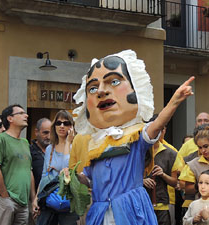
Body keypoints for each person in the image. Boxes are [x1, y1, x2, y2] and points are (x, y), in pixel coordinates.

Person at [71, 50, 194, 225]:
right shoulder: (94, 143)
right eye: (92, 88)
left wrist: (174, 101)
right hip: (100, 212)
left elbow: (157, 125)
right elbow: (89, 178)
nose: (101, 92)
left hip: (130, 212)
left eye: (114, 81)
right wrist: (73, 177)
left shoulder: (135, 135)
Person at [0, 104, 35, 225]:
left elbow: (28, 171)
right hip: (6, 200)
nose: (26, 115)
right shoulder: (0, 139)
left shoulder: (25, 142)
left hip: (24, 203)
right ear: (10, 118)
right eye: (21, 113)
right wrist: (4, 196)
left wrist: (33, 198)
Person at [33, 110, 79, 225]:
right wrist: (36, 198)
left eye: (66, 123)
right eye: (58, 123)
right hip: (50, 197)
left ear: (72, 127)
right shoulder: (50, 148)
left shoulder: (76, 146)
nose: (62, 126)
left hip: (69, 199)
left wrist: (68, 143)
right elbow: (45, 176)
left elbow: (66, 170)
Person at [143, 115, 181, 225]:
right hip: (141, 203)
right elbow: (127, 175)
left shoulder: (171, 153)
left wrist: (163, 174)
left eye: (160, 129)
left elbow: (175, 182)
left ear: (163, 131)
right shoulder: (139, 150)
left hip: (162, 204)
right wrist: (141, 180)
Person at [30, 118, 51, 191]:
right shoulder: (29, 151)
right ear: (36, 132)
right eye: (45, 133)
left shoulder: (56, 151)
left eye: (51, 133)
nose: (49, 137)